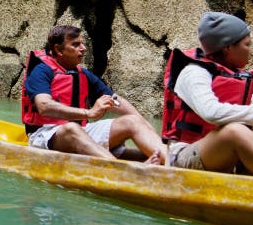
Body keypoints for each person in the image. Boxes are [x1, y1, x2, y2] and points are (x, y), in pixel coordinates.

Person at [163, 12, 253, 180]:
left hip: (229, 156)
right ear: (227, 47)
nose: (251, 50)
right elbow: (212, 113)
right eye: (247, 44)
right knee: (234, 131)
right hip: (183, 158)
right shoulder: (193, 73)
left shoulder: (237, 77)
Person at [22, 25, 166, 164]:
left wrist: (145, 125)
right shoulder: (41, 70)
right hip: (44, 135)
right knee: (71, 128)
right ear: (58, 49)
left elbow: (115, 100)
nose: (83, 48)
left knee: (133, 121)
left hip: (81, 131)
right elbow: (44, 106)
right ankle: (122, 169)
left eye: (82, 44)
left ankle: (169, 162)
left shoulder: (82, 74)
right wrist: (89, 113)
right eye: (76, 44)